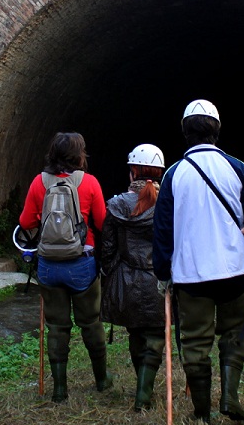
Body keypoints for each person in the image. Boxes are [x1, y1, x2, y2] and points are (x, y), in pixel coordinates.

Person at [152, 101, 244, 423]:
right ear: (217, 131)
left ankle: (202, 412)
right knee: (235, 332)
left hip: (191, 275)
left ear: (185, 132)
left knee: (195, 340)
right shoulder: (239, 168)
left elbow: (163, 231)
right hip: (235, 272)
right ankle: (230, 397)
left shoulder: (175, 174)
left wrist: (162, 271)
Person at [18, 132, 108, 403]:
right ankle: (102, 380)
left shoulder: (39, 182)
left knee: (57, 326)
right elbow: (103, 223)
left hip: (49, 266)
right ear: (79, 155)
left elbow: (26, 222)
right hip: (81, 262)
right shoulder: (89, 183)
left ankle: (59, 389)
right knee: (90, 322)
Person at [100, 143, 167, 411]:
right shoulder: (168, 204)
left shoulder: (117, 205)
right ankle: (143, 393)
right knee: (154, 336)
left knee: (136, 332)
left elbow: (107, 248)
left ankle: (142, 389)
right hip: (158, 281)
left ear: (132, 173)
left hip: (126, 280)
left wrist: (110, 271)